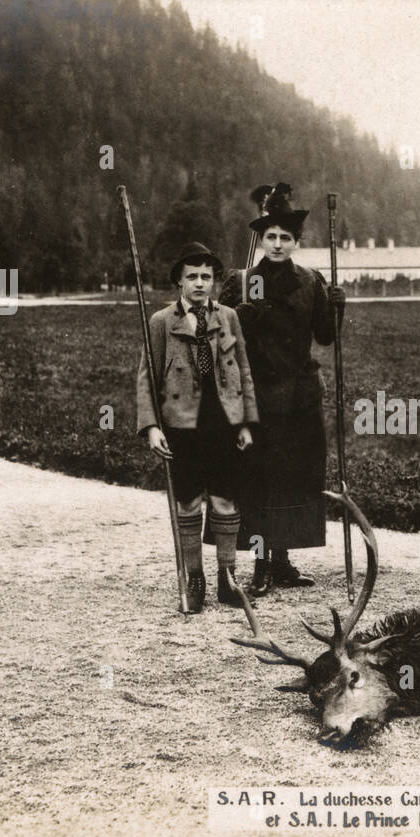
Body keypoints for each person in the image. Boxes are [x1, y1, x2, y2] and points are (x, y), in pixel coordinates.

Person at [217, 185, 346, 596]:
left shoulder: (311, 282)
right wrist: (237, 319)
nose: (277, 244)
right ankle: (259, 564)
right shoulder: (243, 282)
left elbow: (325, 336)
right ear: (262, 239)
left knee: (295, 476)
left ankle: (284, 560)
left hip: (300, 395)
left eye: (285, 238)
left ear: (296, 242)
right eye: (270, 236)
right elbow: (219, 337)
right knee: (258, 478)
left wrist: (337, 306)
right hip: (258, 397)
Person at [136, 243, 259, 613]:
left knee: (224, 497)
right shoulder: (160, 322)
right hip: (181, 425)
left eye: (206, 277)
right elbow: (146, 378)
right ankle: (194, 579)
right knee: (188, 500)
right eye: (192, 276)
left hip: (222, 421)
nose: (200, 284)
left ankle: (228, 578)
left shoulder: (228, 318)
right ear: (179, 282)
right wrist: (152, 427)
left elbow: (244, 370)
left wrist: (246, 421)